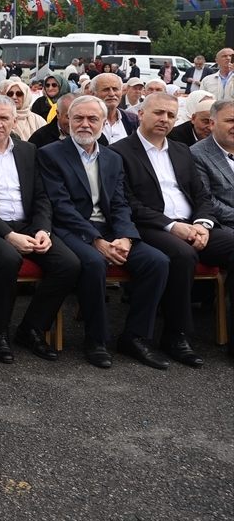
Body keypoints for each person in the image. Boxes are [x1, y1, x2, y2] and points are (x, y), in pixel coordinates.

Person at [38, 95, 172, 369]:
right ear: (68, 122)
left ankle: (134, 337)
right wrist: (96, 240)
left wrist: (124, 236)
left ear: (102, 123)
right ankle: (95, 339)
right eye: (78, 118)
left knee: (157, 262)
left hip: (111, 230)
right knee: (94, 262)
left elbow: (121, 202)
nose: (85, 124)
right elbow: (60, 206)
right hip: (71, 230)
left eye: (92, 119)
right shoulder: (50, 153)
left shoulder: (112, 157)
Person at [0, 94, 81, 364]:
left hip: (28, 225)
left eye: (3, 118)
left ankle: (31, 329)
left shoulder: (28, 151)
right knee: (8, 258)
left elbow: (42, 196)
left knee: (69, 264)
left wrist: (43, 230)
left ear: (15, 120)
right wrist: (8, 235)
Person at [109, 92, 234, 367]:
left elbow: (201, 195)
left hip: (193, 225)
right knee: (182, 254)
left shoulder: (180, 150)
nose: (164, 119)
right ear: (141, 114)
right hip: (149, 226)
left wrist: (202, 224)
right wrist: (173, 225)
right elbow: (126, 201)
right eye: (158, 113)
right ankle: (175, 335)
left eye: (170, 115)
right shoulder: (119, 152)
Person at [191, 101, 234, 231]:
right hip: (226, 226)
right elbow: (207, 201)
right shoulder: (196, 154)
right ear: (212, 124)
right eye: (230, 121)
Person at [92, 73, 138, 145]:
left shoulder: (132, 119)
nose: (112, 94)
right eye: (106, 90)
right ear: (93, 94)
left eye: (115, 89)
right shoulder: (86, 121)